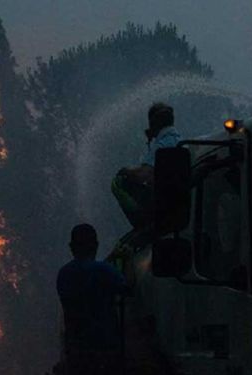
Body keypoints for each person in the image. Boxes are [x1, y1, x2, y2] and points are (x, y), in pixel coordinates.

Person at [57, 224, 128, 375]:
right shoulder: (103, 271)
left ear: (71, 247)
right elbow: (128, 288)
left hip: (76, 351)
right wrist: (127, 260)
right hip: (105, 349)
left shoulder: (64, 274)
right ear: (95, 245)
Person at [111, 102, 181, 230]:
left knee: (118, 182)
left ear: (153, 124)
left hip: (161, 200)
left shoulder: (161, 145)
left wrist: (126, 171)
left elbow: (146, 174)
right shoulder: (179, 141)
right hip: (177, 199)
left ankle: (143, 223)